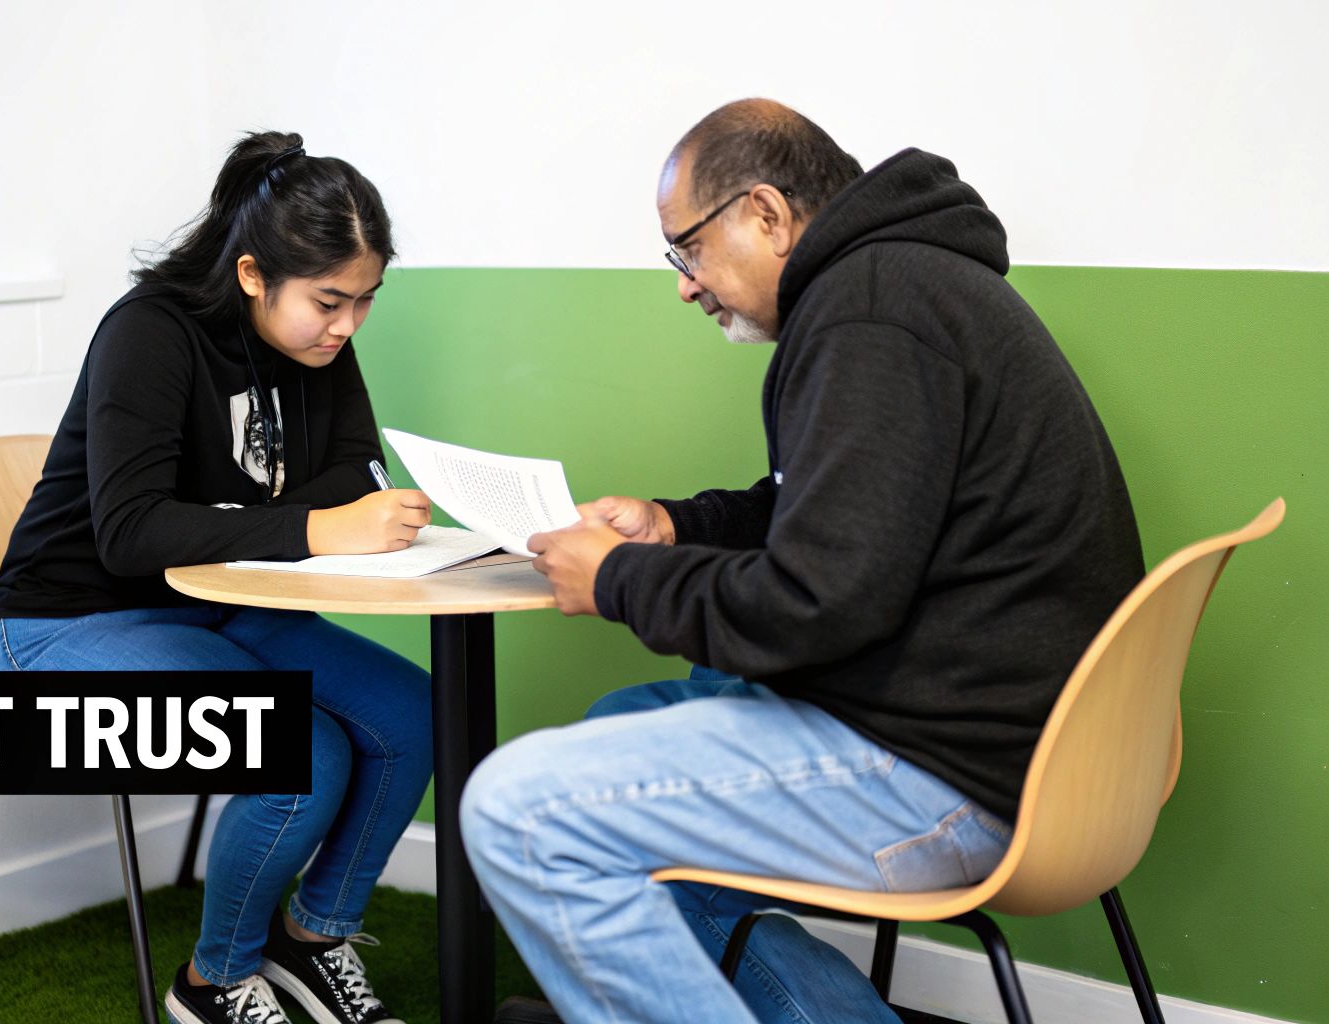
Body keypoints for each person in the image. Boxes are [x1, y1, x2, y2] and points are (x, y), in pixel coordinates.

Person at [459, 99, 1145, 1024]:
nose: (685, 285)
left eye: (688, 249)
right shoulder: (904, 285)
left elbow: (818, 601)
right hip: (1022, 744)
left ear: (768, 214)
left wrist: (616, 579)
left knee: (519, 809)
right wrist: (674, 523)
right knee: (620, 724)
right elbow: (835, 509)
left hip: (946, 771)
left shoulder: (870, 314)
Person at [0, 131, 427, 1024]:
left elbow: (359, 473)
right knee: (302, 755)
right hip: (68, 622)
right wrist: (308, 525)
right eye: (330, 301)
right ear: (254, 274)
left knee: (415, 715)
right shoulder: (149, 333)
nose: (348, 326)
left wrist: (253, 524)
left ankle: (308, 939)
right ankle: (214, 981)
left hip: (219, 601)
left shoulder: (318, 347)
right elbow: (129, 533)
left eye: (366, 302)